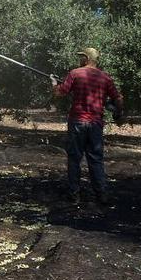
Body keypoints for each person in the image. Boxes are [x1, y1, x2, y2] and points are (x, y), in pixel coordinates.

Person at [52, 47, 123, 205]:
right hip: (96, 124)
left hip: (77, 122)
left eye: (81, 57)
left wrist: (54, 84)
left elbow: (60, 93)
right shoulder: (105, 77)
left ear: (87, 58)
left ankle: (74, 195)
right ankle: (101, 195)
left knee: (74, 159)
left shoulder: (75, 73)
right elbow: (118, 99)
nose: (79, 59)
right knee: (96, 159)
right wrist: (119, 113)